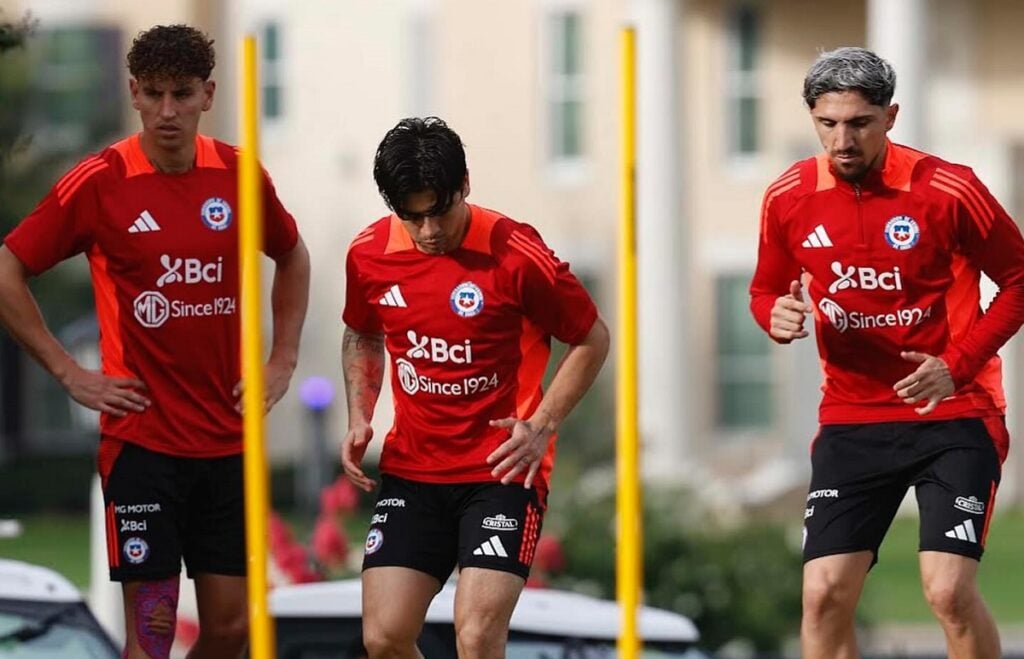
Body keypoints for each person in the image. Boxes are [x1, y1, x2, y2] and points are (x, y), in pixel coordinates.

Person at [0, 25, 310, 659]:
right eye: (156, 95)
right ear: (134, 93)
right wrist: (68, 373)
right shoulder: (100, 180)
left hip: (227, 442)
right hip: (142, 446)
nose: (169, 111)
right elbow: (8, 269)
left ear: (208, 95)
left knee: (232, 631)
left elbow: (293, 256)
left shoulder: (238, 174)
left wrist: (282, 360)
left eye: (184, 94)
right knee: (153, 636)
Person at [750, 47, 1024, 659]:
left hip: (957, 416)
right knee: (823, 595)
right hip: (852, 420)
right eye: (827, 124)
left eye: (859, 123)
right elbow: (766, 288)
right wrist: (773, 314)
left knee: (948, 591)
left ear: (891, 116)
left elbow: (1018, 280)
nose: (842, 140)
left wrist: (955, 367)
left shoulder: (949, 189)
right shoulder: (787, 195)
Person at [341, 116, 609, 659]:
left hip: (503, 471)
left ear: (464, 184)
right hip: (414, 471)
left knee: (478, 633)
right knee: (384, 636)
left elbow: (591, 338)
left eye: (439, 210)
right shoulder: (368, 254)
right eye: (412, 216)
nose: (429, 230)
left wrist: (541, 426)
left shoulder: (516, 252)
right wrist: (360, 413)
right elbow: (363, 331)